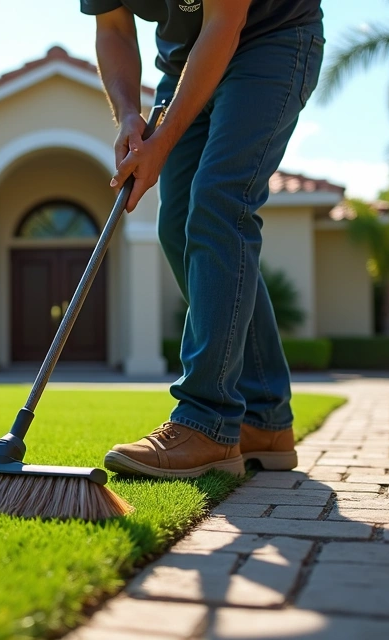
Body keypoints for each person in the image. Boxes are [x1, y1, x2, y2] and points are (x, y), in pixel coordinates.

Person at [82, 0, 324, 478]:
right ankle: (264, 419)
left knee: (219, 201)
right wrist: (129, 114)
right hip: (181, 66)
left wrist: (162, 141)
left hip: (270, 40)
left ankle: (207, 418)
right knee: (177, 226)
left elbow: (225, 20)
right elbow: (112, 28)